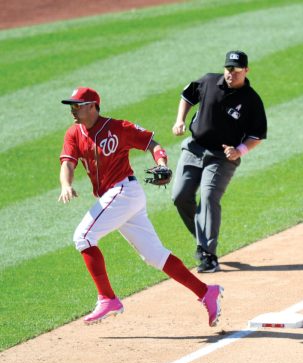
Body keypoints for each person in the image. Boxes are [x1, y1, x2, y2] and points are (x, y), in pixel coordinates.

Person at [58, 87, 223, 327]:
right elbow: (68, 163)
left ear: (93, 105)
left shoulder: (118, 128)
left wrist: (163, 164)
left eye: (78, 105)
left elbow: (152, 144)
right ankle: (207, 292)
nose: (73, 110)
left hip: (124, 192)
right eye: (71, 105)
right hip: (118, 199)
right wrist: (66, 185)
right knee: (155, 256)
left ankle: (108, 298)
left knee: (83, 236)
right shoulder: (74, 133)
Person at [171, 50, 268, 273]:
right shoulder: (208, 81)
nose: (230, 73)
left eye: (235, 70)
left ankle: (208, 255)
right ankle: (202, 238)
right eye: (228, 69)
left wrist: (239, 151)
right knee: (180, 196)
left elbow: (257, 135)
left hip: (223, 157)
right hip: (194, 149)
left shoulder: (251, 100)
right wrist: (179, 121)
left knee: (208, 196)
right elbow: (187, 96)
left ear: (246, 70)